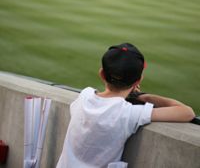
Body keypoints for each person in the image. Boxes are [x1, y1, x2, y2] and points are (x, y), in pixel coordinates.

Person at [56, 43, 195, 168]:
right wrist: (144, 96)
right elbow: (187, 113)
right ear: (138, 80)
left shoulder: (85, 95)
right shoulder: (128, 113)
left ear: (102, 74)